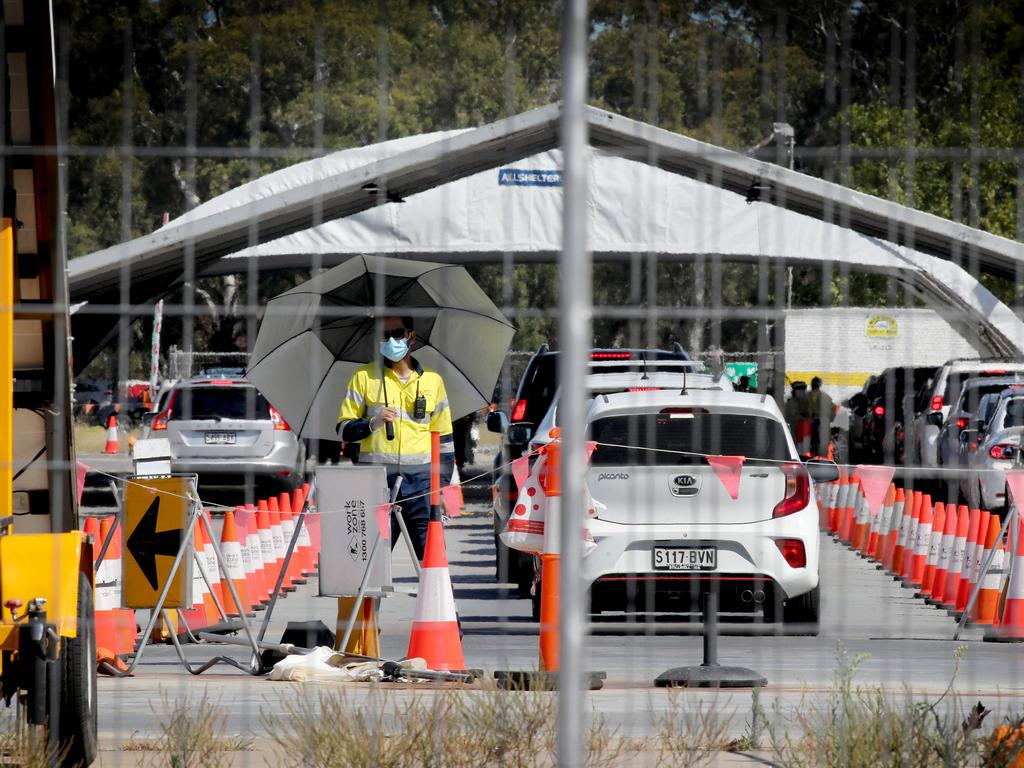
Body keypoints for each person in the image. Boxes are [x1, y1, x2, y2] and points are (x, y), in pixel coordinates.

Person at [336, 315, 455, 560]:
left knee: (431, 560)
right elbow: (343, 429)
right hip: (375, 482)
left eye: (397, 334)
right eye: (384, 335)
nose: (391, 340)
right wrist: (373, 423)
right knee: (371, 563)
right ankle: (369, 600)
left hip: (421, 484)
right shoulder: (363, 377)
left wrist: (440, 488)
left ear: (411, 336)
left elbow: (444, 439)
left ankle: (435, 599)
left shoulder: (433, 381)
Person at [808, 376, 835, 457]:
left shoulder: (806, 395)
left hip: (810, 423)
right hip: (822, 423)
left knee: (811, 444)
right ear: (820, 385)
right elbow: (833, 411)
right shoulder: (826, 397)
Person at [784, 381, 812, 454]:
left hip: (802, 433)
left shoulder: (805, 401)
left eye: (803, 388)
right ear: (794, 391)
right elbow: (795, 417)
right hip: (793, 432)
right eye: (799, 388)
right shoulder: (792, 403)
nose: (802, 390)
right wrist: (805, 419)